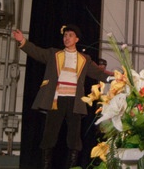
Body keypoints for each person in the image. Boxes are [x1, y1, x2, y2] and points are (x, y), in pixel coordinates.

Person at [12, 24, 109, 169]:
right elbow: (37, 52)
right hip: (56, 100)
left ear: (76, 39)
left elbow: (98, 73)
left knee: (74, 139)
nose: (67, 38)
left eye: (70, 35)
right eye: (65, 35)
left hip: (75, 102)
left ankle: (72, 167)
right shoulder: (54, 54)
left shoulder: (84, 59)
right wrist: (22, 41)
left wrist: (114, 78)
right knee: (49, 136)